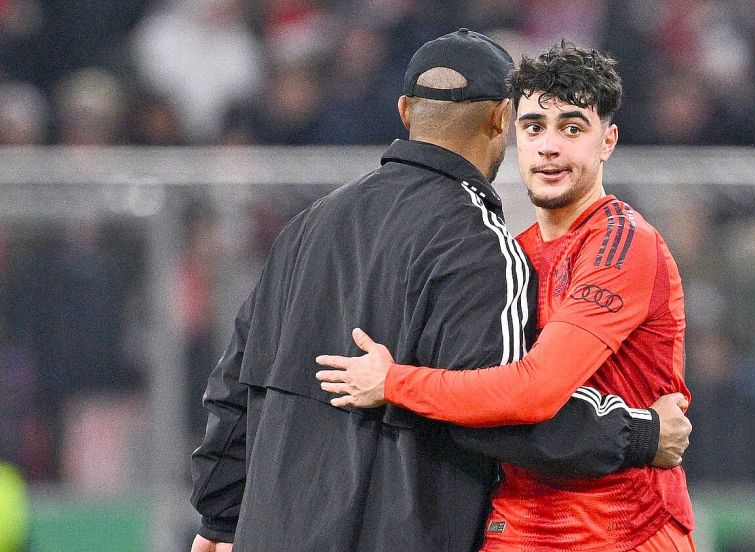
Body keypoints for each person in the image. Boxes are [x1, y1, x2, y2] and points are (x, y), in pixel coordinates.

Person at [190, 30, 692, 552]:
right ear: (503, 120)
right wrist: (641, 434)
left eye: (570, 128)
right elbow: (507, 415)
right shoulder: (483, 247)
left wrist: (219, 519)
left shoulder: (305, 227)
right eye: (534, 125)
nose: (547, 145)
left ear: (405, 111)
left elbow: (234, 388)